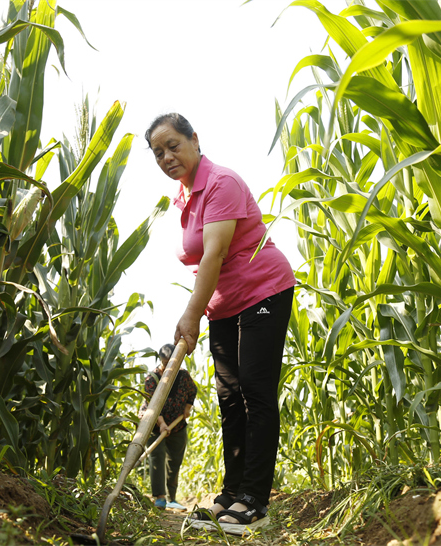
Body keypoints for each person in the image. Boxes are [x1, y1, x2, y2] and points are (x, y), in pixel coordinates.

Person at [144, 113, 295, 527]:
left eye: (173, 145)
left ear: (195, 140)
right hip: (225, 305)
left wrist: (190, 315)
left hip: (263, 291)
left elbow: (214, 254)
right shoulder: (184, 196)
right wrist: (202, 311)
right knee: (229, 396)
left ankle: (255, 502)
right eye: (158, 153)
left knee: (253, 389)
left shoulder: (220, 183)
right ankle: (231, 495)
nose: (166, 156)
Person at [139, 343, 197, 511]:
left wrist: (187, 407)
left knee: (175, 460)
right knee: (157, 458)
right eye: (165, 364)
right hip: (155, 425)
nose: (168, 368)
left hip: (177, 425)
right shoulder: (152, 379)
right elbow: (152, 406)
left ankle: (172, 497)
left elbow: (193, 391)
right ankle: (160, 497)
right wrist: (162, 424)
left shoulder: (183, 376)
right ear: (161, 361)